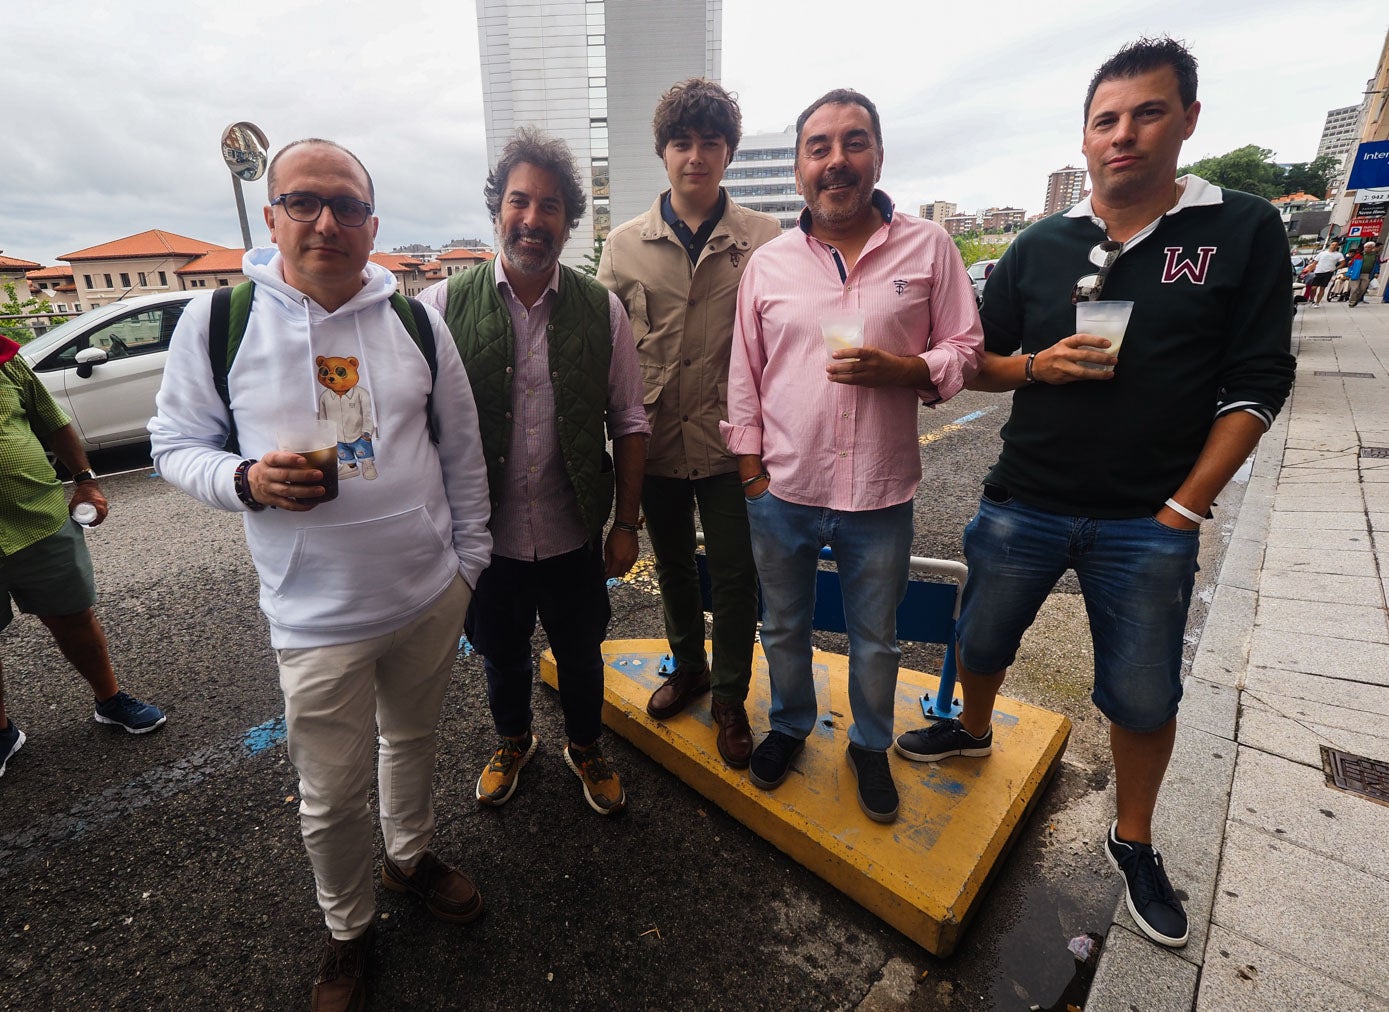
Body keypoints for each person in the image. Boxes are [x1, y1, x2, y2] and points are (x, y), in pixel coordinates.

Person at [893, 38, 1295, 950]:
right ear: (1082, 138)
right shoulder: (1041, 245)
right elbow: (980, 363)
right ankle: (972, 727)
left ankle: (1134, 836)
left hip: (1145, 519)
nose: (1124, 135)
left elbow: (1257, 382)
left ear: (1188, 119)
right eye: (1106, 120)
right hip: (1022, 498)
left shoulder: (1239, 229)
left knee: (1142, 693)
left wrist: (1182, 509)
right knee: (982, 637)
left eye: (1147, 113)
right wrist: (1034, 363)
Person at [149, 138, 493, 1011]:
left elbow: (462, 448)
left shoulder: (417, 321)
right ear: (271, 218)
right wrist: (243, 480)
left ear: (373, 225)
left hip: (426, 594)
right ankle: (347, 931)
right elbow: (173, 445)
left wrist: (469, 564)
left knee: (412, 745)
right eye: (303, 202)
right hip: (314, 617)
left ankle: (408, 860)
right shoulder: (218, 322)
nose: (326, 221)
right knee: (329, 796)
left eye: (346, 206)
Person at [721, 89, 983, 824]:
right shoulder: (769, 265)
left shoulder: (928, 247)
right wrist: (749, 472)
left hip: (880, 490)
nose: (836, 161)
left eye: (853, 142)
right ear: (802, 165)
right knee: (783, 626)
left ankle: (869, 744)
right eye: (819, 146)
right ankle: (789, 726)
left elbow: (964, 346)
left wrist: (908, 371)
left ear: (876, 154)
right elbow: (744, 373)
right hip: (783, 487)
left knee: (875, 638)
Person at [421, 128, 649, 817]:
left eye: (550, 206)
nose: (532, 218)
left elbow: (629, 421)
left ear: (568, 221)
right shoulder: (438, 308)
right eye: (520, 201)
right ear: (497, 209)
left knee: (581, 655)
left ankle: (585, 746)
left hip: (573, 531)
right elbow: (415, 429)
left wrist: (625, 525)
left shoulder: (598, 308)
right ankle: (513, 740)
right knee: (500, 653)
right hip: (485, 538)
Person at [596, 79, 780, 768]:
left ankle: (730, 694)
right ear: (662, 153)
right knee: (672, 564)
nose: (695, 156)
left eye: (709, 142)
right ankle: (688, 666)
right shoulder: (622, 247)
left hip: (736, 444)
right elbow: (608, 352)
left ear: (728, 152)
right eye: (681, 142)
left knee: (735, 573)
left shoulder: (765, 238)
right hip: (653, 441)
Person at [0, 338, 166, 778]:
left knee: (74, 616)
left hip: (40, 518)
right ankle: (1, 733)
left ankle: (110, 699)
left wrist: (86, 481)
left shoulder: (5, 361)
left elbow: (53, 424)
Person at [1348, 240, 1378, 306]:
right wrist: (1349, 273)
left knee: (1362, 289)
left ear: (1372, 248)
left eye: (1368, 247)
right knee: (1355, 288)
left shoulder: (1375, 256)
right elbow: (1351, 264)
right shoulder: (1359, 255)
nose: (1366, 248)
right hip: (1356, 274)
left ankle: (1356, 300)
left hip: (1367, 274)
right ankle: (1352, 301)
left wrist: (1377, 272)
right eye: (1366, 247)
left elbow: (1376, 265)